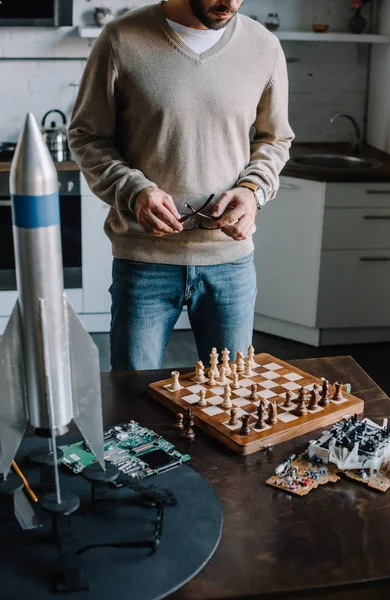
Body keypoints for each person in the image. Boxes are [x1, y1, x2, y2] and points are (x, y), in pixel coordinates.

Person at [68, 0, 294, 371]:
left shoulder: (264, 46)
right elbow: (86, 136)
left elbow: (275, 139)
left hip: (229, 262)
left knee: (231, 401)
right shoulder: (120, 40)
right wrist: (134, 190)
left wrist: (253, 190)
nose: (229, 3)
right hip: (144, 262)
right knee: (133, 404)